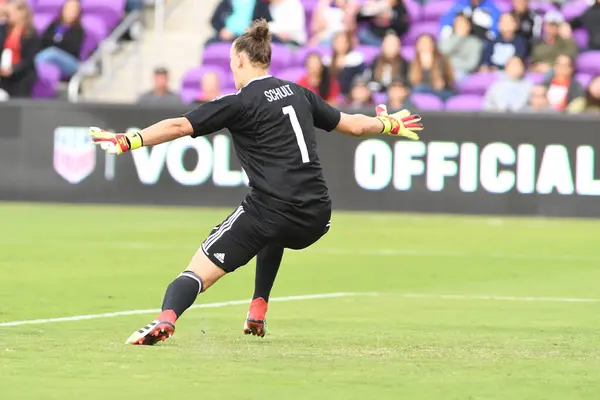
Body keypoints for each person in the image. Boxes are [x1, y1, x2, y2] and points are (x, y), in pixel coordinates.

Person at [90, 19, 423, 345]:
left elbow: (179, 126)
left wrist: (129, 140)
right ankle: (258, 307)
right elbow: (353, 125)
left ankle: (166, 318)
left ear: (240, 59)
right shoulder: (299, 93)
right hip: (317, 216)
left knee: (196, 271)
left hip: (270, 212)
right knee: (273, 226)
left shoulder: (240, 102)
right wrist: (388, 124)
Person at [35, 0, 84, 78]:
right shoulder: (54, 25)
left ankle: (31, 68)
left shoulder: (78, 31)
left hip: (71, 62)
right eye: (68, 8)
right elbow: (43, 41)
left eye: (73, 9)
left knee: (52, 53)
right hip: (49, 56)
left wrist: (55, 43)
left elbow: (72, 49)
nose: (70, 12)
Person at [0, 0, 38, 98]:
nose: (7, 17)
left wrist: (13, 69)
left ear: (21, 13)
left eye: (10, 14)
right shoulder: (3, 29)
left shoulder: (31, 34)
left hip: (22, 75)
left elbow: (28, 59)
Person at [409, 34, 455, 101]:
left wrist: (443, 82)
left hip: (441, 92)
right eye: (422, 43)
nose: (424, 45)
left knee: (420, 89)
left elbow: (449, 80)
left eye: (427, 42)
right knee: (419, 89)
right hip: (420, 92)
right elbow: (411, 83)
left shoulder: (442, 60)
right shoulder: (412, 63)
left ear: (433, 45)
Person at [438, 13, 484, 80]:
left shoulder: (475, 42)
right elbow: (442, 53)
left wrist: (450, 63)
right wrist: (459, 36)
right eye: (457, 23)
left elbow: (472, 64)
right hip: (445, 71)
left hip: (463, 73)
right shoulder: (447, 38)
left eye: (462, 22)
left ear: (469, 26)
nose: (459, 25)